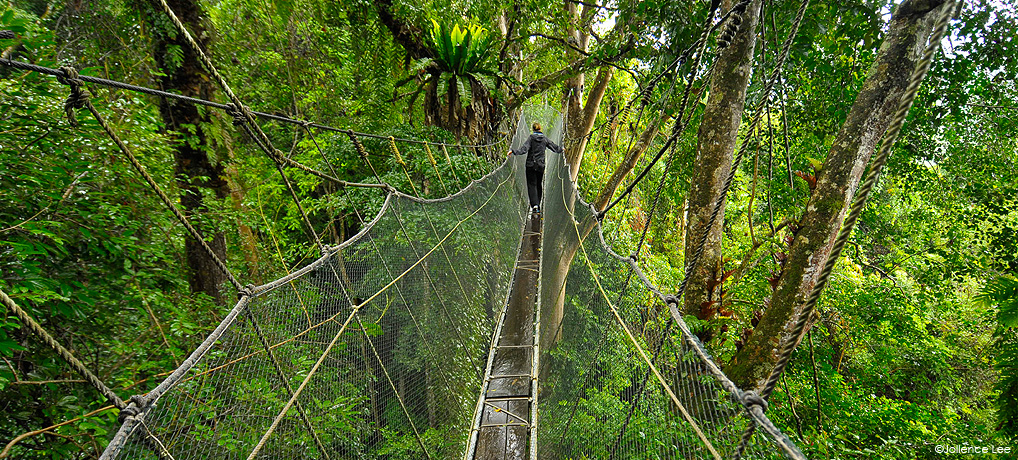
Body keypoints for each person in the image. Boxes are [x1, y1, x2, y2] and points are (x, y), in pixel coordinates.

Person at [510, 122, 562, 214]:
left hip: (530, 165)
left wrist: (514, 152)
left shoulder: (531, 138)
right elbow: (553, 147)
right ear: (540, 129)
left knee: (531, 185)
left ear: (533, 129)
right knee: (538, 184)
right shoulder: (545, 139)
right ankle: (538, 204)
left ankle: (534, 205)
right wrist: (562, 149)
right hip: (540, 166)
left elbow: (524, 149)